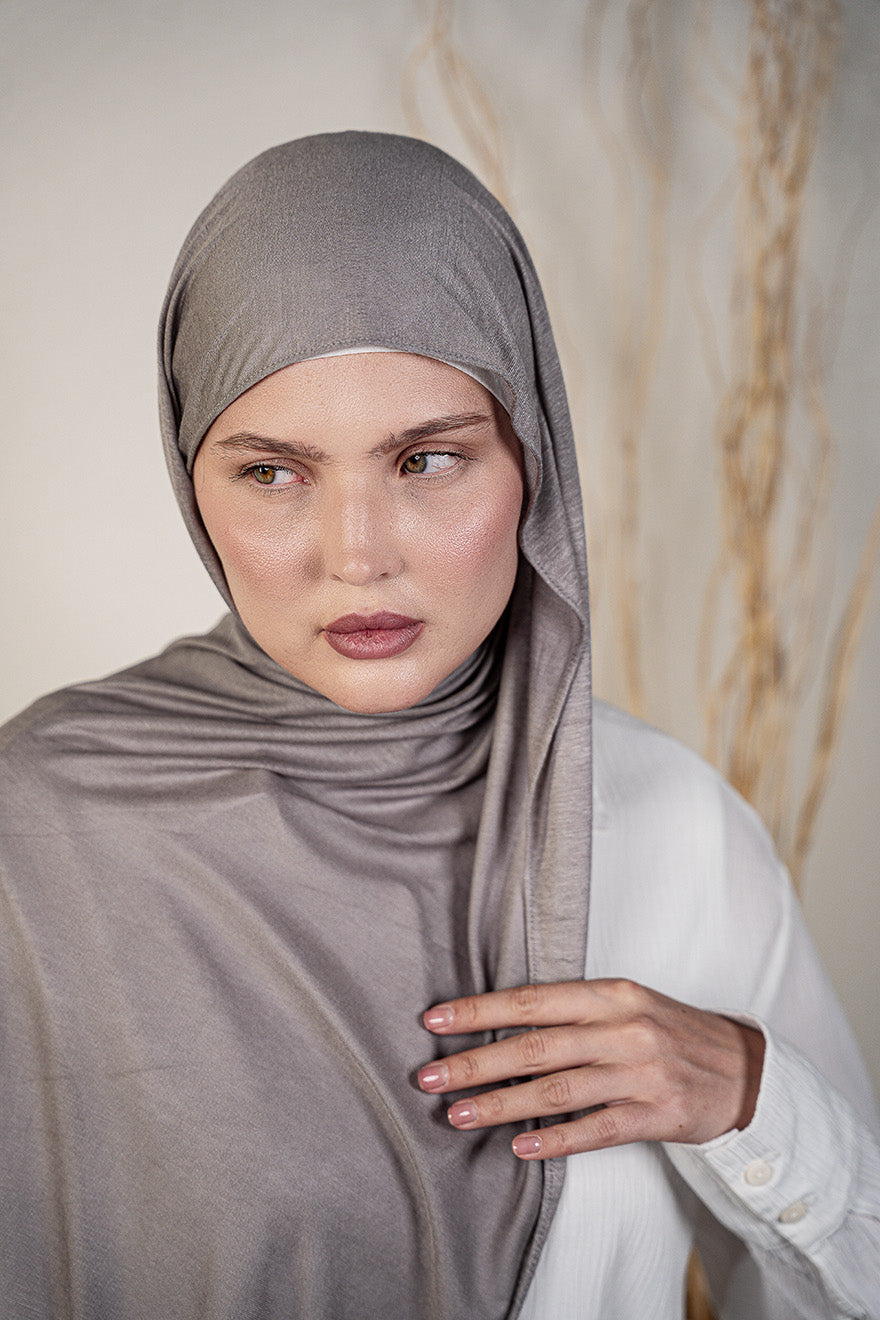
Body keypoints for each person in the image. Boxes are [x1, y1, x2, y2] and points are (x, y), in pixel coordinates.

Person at [0, 131, 877, 1320]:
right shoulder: (36, 830)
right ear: (192, 480)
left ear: (532, 461)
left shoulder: (669, 829)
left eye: (426, 459)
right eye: (272, 473)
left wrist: (754, 1100)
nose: (357, 555)